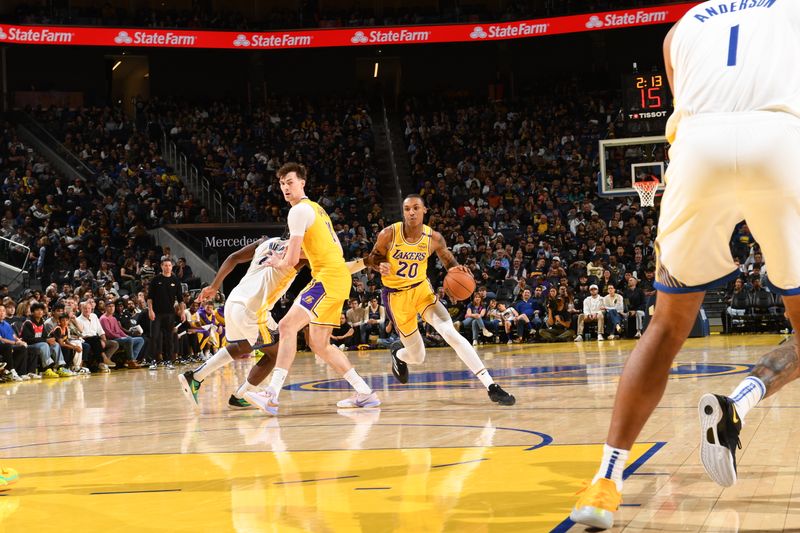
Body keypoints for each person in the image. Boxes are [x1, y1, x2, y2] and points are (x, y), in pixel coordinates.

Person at [571, 2, 800, 529]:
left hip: (699, 150)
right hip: (779, 144)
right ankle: (745, 397)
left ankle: (605, 483)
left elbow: (684, 93)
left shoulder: (684, 26)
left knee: (667, 326)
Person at [245, 163, 379, 414]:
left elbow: (293, 259)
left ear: (302, 183)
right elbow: (336, 255)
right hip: (336, 278)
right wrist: (363, 263)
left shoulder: (297, 212)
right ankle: (364, 392)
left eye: (290, 182)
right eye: (282, 184)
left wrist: (278, 262)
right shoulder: (319, 211)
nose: (285, 188)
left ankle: (271, 395)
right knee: (319, 344)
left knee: (285, 326)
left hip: (327, 280)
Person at [178, 235, 366, 410]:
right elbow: (338, 268)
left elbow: (233, 258)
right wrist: (365, 262)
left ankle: (196, 376)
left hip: (234, 301)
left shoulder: (266, 241)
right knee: (278, 354)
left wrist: (214, 286)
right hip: (253, 308)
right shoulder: (299, 253)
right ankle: (241, 395)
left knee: (244, 346)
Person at [364, 194, 514, 405]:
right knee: (418, 357)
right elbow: (371, 257)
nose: (412, 212)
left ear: (425, 211)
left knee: (450, 332)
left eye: (416, 208)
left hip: (421, 290)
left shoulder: (434, 238)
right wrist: (379, 264)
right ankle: (398, 353)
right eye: (407, 209)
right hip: (396, 297)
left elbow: (449, 262)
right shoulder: (389, 234)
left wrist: (457, 270)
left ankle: (491, 386)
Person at [147, 257, 182, 369]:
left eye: (169, 265)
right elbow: (150, 298)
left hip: (170, 314)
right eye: (165, 265)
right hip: (156, 313)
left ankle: (168, 361)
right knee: (155, 337)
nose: (167, 267)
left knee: (169, 338)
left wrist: (182, 312)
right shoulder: (156, 279)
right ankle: (153, 361)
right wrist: (150, 310)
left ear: (172, 267)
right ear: (162, 266)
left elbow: (180, 299)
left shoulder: (175, 280)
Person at [76, 300, 119, 372]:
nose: (87, 310)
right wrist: (99, 340)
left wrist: (104, 340)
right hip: (86, 339)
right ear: (81, 309)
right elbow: (80, 335)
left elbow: (100, 330)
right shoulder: (78, 320)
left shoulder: (94, 316)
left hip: (97, 339)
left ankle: (102, 362)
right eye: (85, 308)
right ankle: (103, 359)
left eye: (89, 308)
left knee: (114, 344)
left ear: (91, 309)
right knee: (95, 339)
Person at [99, 301, 144, 368]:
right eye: (109, 306)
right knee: (128, 339)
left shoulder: (114, 318)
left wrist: (126, 336)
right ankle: (131, 360)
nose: (111, 308)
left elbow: (119, 331)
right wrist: (123, 337)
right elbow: (109, 333)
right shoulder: (103, 319)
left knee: (140, 340)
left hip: (119, 338)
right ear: (105, 308)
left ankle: (130, 360)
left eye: (113, 306)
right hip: (112, 339)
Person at [0, 305, 37, 380]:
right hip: (4, 346)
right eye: (0, 311)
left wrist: (19, 341)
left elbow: (13, 335)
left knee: (32, 348)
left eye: (3, 311)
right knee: (10, 347)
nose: (1, 313)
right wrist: (15, 343)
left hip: (12, 344)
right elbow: (1, 339)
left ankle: (27, 372)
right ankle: (11, 371)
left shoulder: (6, 324)